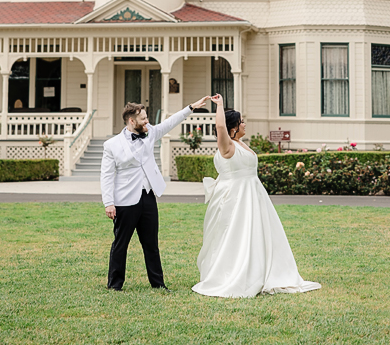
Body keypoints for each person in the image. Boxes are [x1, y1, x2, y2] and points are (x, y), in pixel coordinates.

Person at [192, 93, 321, 297]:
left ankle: (261, 271)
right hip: (235, 198)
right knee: (236, 235)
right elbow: (219, 128)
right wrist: (220, 106)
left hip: (253, 196)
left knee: (258, 234)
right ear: (233, 127)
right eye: (242, 122)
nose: (245, 125)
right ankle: (236, 273)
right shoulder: (228, 147)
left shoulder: (241, 144)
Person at [101, 96, 211, 291]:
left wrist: (191, 108)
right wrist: (109, 202)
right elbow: (107, 175)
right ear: (131, 121)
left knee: (151, 244)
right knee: (121, 243)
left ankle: (158, 284)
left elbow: (170, 123)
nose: (147, 121)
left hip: (148, 196)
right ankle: (115, 284)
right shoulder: (112, 145)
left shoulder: (150, 132)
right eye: (143, 119)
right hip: (125, 200)